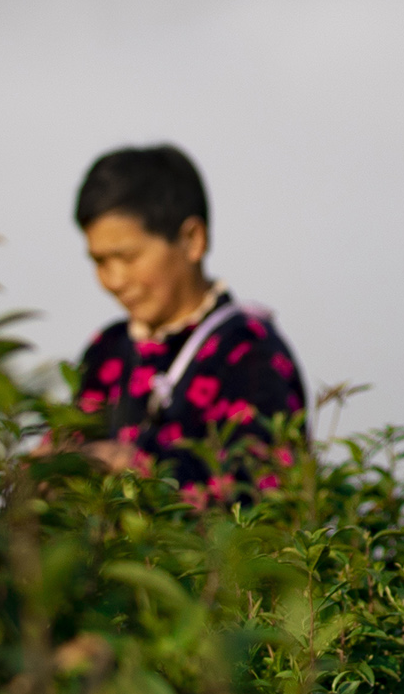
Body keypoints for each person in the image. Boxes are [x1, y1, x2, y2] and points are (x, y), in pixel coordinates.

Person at [62, 144, 308, 508]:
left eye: (127, 258)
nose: (112, 280)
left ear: (193, 240)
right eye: (99, 261)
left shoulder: (248, 350)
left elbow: (263, 496)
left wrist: (136, 470)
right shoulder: (108, 349)